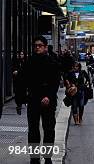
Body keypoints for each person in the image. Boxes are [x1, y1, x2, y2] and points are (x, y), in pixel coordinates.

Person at [16, 36, 61, 164]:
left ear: (46, 47)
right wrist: (20, 101)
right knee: (33, 131)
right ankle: (34, 158)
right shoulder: (29, 62)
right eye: (35, 45)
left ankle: (47, 157)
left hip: (49, 101)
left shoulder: (52, 62)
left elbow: (55, 83)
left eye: (40, 45)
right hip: (33, 100)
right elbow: (21, 82)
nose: (37, 47)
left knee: (49, 130)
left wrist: (49, 97)